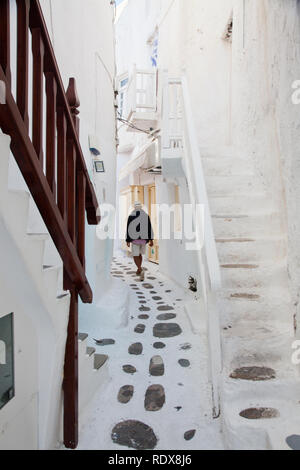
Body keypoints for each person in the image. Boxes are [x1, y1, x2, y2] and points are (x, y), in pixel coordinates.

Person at [126, 201, 154, 281]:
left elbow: (129, 228)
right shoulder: (146, 215)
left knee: (135, 255)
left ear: (134, 207)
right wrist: (151, 239)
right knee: (140, 254)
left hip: (135, 239)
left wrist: (128, 240)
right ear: (141, 207)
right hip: (143, 240)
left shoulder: (131, 216)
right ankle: (139, 269)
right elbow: (149, 228)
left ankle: (140, 269)